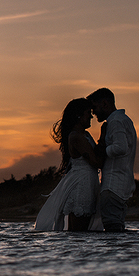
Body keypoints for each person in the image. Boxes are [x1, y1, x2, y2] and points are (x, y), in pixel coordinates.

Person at [34, 98, 104, 231]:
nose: (91, 116)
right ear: (78, 115)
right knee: (78, 232)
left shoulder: (85, 134)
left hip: (88, 183)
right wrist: (104, 139)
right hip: (82, 186)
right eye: (87, 113)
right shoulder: (76, 137)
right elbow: (96, 162)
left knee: (82, 232)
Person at [87, 87, 137, 232]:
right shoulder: (123, 120)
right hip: (121, 184)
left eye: (94, 107)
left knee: (112, 231)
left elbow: (121, 148)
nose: (93, 112)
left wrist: (101, 149)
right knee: (117, 229)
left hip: (113, 186)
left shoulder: (115, 121)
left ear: (104, 104)